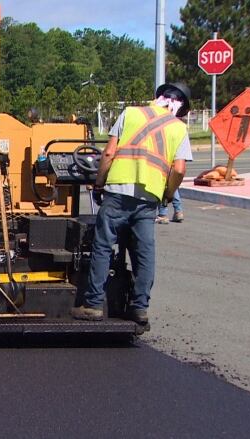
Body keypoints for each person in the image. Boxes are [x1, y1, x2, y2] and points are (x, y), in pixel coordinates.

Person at [72, 82, 193, 331]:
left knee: (104, 245)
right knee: (144, 252)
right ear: (179, 108)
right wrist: (167, 195)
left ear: (157, 97)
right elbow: (179, 170)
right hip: (149, 197)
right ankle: (139, 308)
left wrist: (98, 184)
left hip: (117, 192)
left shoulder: (130, 113)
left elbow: (108, 154)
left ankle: (93, 305)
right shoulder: (178, 128)